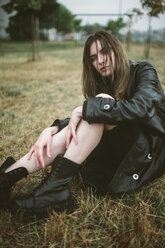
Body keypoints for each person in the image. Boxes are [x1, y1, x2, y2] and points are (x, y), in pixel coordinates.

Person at [0, 30, 165, 218]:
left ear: (116, 50)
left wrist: (90, 108)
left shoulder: (143, 70)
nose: (100, 61)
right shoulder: (103, 82)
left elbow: (142, 108)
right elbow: (85, 119)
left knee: (100, 105)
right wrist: (52, 128)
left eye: (104, 52)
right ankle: (7, 180)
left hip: (146, 152)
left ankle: (51, 191)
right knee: (96, 110)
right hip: (117, 151)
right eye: (94, 58)